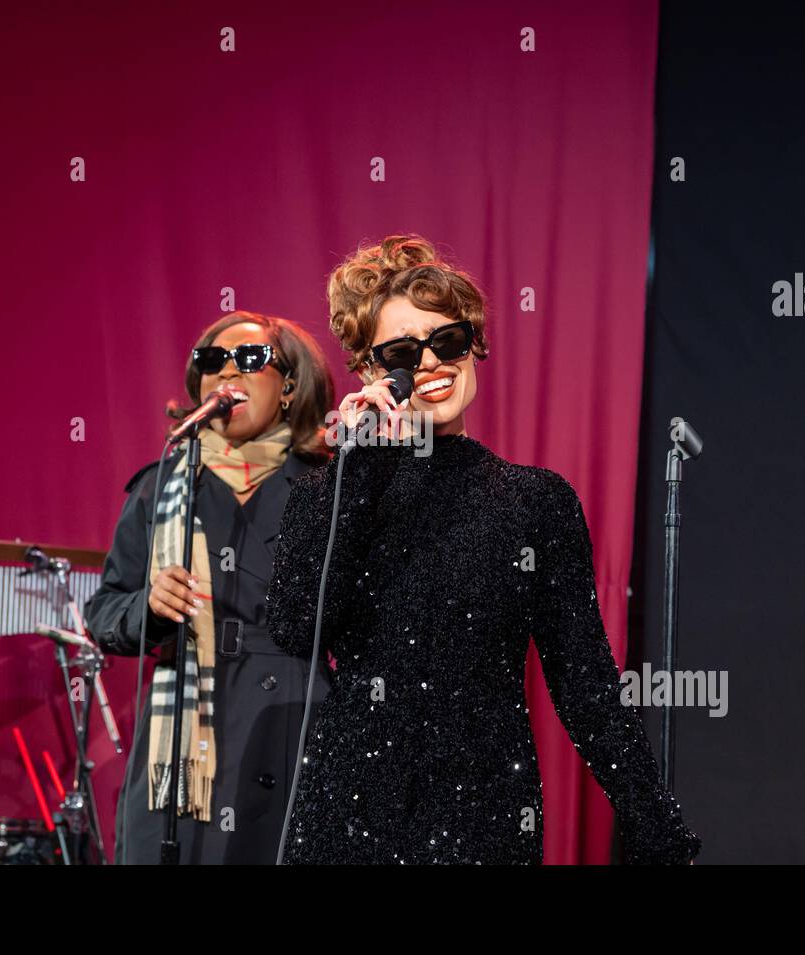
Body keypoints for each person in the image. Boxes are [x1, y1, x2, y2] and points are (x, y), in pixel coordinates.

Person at [265, 235, 699, 864]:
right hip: (350, 812)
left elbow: (585, 684)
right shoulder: (329, 495)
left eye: (448, 342)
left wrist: (653, 818)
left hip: (487, 816)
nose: (432, 364)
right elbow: (294, 625)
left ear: (475, 346)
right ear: (367, 370)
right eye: (403, 354)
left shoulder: (535, 501)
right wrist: (362, 463)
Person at [84, 311, 335, 864]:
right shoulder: (163, 486)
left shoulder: (329, 489)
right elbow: (105, 610)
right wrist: (148, 607)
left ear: (290, 386)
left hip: (290, 721)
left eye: (249, 361)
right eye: (210, 361)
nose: (226, 373)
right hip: (181, 736)